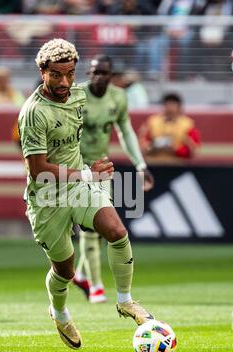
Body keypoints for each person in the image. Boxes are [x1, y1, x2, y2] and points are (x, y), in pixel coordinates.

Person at [18, 38, 154, 350]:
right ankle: (60, 311)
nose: (64, 82)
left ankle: (125, 301)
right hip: (47, 197)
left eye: (69, 74)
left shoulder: (79, 95)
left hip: (79, 185)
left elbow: (104, 124)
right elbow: (38, 170)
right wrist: (86, 173)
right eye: (56, 75)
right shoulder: (33, 113)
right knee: (64, 269)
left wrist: (92, 170)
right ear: (42, 72)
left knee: (117, 230)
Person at [74, 55, 153, 304]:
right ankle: (95, 285)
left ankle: (83, 276)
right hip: (76, 167)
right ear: (89, 73)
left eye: (104, 72)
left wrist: (140, 164)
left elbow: (126, 131)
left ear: (111, 75)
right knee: (88, 228)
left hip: (102, 168)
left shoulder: (118, 97)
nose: (99, 76)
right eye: (95, 72)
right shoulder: (76, 95)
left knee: (99, 227)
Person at [139, 93, 201, 160]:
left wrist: (176, 149)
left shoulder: (187, 124)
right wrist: (152, 147)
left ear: (179, 107)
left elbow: (193, 150)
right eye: (168, 104)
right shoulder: (153, 122)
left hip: (178, 164)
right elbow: (143, 146)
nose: (170, 108)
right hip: (155, 162)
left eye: (173, 104)